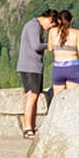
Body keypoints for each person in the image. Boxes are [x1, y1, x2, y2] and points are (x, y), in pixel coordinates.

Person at [19, 9, 55, 138]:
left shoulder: (33, 25)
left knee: (33, 96)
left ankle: (30, 127)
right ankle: (28, 128)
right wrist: (50, 44)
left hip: (29, 66)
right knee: (32, 97)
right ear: (49, 19)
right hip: (31, 66)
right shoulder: (34, 26)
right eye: (51, 25)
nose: (49, 29)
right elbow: (36, 46)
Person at [49, 9, 79, 89]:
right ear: (71, 20)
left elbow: (50, 48)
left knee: (58, 99)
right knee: (73, 98)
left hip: (58, 67)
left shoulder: (52, 32)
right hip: (72, 68)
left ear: (58, 20)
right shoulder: (77, 33)